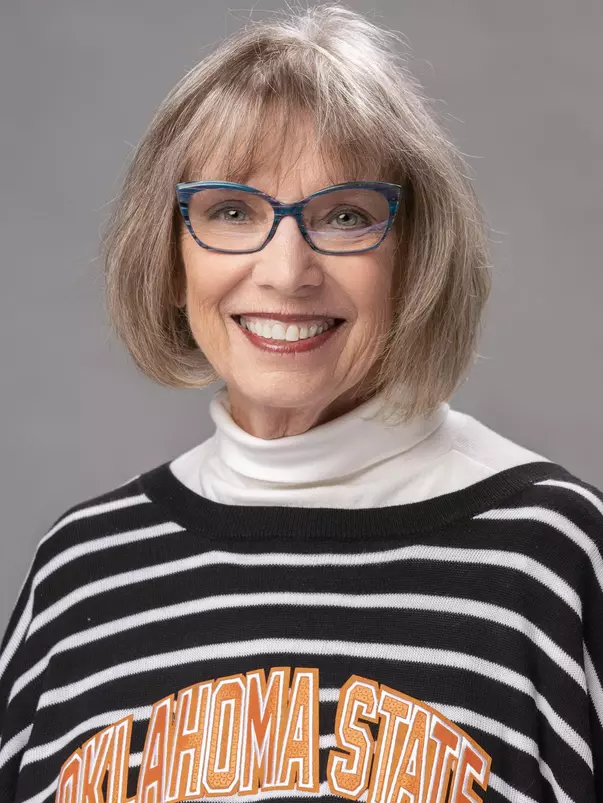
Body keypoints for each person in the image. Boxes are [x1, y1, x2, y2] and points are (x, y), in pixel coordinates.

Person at [1, 4, 602, 803]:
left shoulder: (554, 558)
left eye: (345, 216)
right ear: (171, 252)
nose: (286, 272)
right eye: (231, 211)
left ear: (414, 252)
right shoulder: (81, 572)